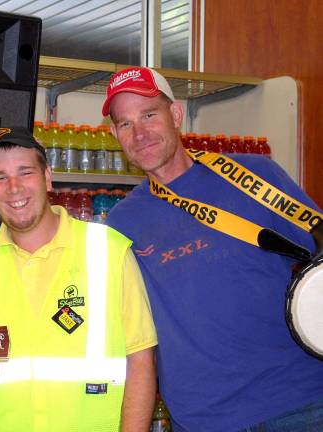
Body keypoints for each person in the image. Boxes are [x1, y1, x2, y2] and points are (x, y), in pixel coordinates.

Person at [104, 66, 323, 431]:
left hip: (300, 402)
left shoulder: (255, 176)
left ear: (175, 114)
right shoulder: (122, 223)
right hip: (205, 417)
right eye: (125, 124)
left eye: (149, 115)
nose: (139, 133)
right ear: (114, 134)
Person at [0, 126, 158, 431]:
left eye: (25, 172)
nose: (14, 187)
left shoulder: (109, 251)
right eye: (0, 178)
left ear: (47, 177)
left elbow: (140, 360)